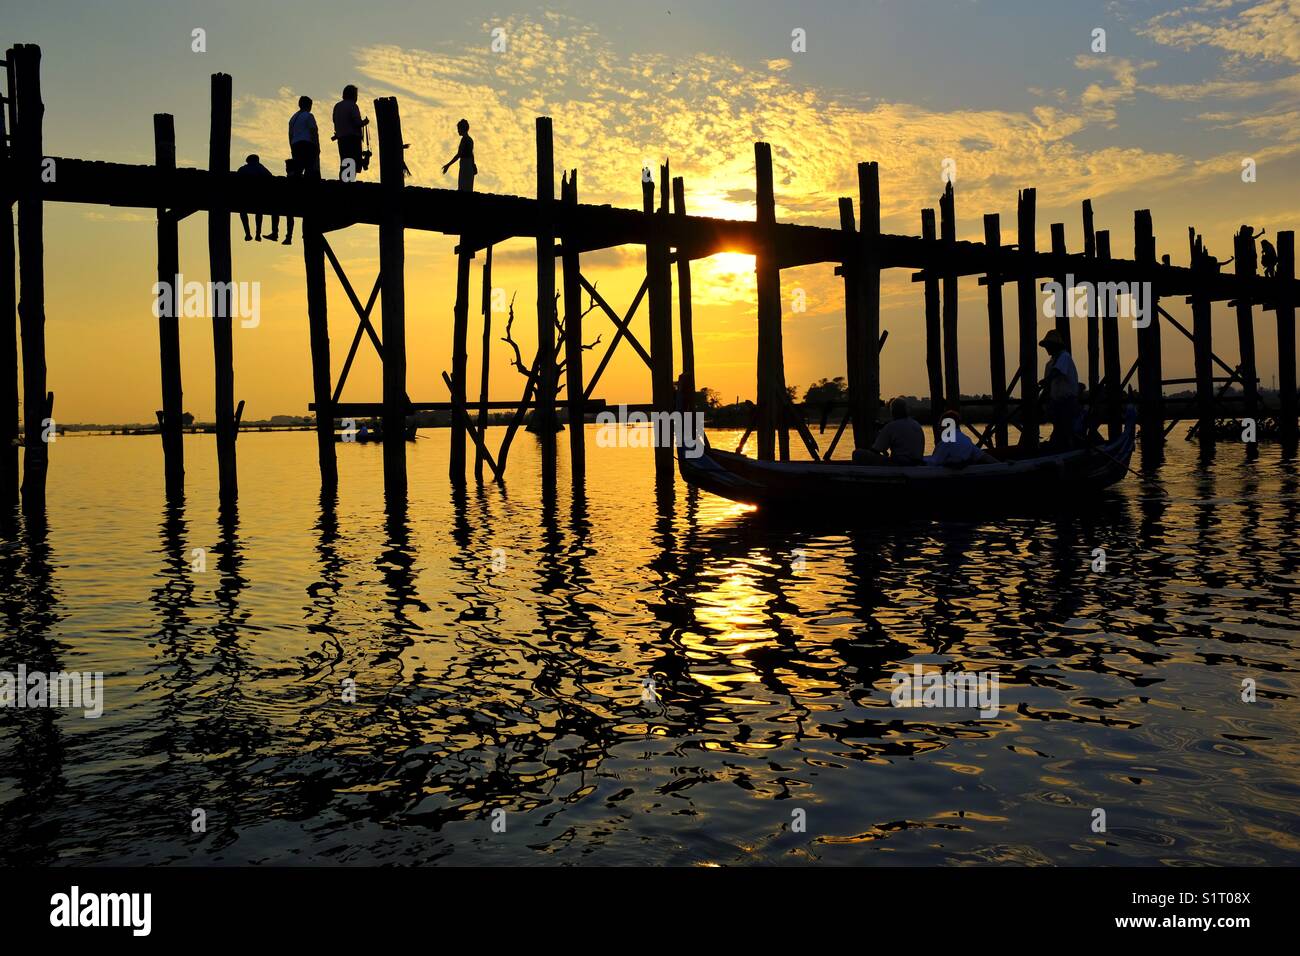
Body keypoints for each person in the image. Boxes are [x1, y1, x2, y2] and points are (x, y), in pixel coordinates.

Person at [1040, 328, 1081, 450]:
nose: (1047, 348)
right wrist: (1041, 400)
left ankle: (1068, 449)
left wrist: (1046, 381)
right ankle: (1061, 449)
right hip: (1056, 403)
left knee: (1066, 430)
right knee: (1058, 429)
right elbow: (1048, 387)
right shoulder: (1049, 364)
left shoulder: (1064, 357)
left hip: (1067, 402)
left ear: (1055, 345)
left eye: (1049, 345)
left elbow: (1056, 373)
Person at [855, 397, 925, 465]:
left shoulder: (891, 426)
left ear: (892, 412)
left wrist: (877, 437)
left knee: (858, 453)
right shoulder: (916, 425)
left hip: (900, 463)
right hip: (917, 462)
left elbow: (875, 450)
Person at [927, 409, 998, 466]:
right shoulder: (966, 439)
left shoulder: (945, 442)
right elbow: (984, 457)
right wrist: (1003, 464)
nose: (939, 428)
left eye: (940, 425)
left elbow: (934, 462)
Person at [235, 154, 279, 242]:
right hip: (260, 198)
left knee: (242, 212)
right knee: (259, 212)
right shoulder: (261, 168)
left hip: (245, 198)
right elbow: (271, 178)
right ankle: (258, 234)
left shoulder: (243, 169)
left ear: (248, 161)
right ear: (257, 160)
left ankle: (247, 233)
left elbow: (236, 180)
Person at [331, 85, 368, 180]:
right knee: (352, 163)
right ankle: (349, 183)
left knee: (345, 161)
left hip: (341, 138)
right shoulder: (353, 106)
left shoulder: (337, 106)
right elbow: (357, 122)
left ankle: (344, 181)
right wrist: (365, 122)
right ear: (353, 95)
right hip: (353, 138)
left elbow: (334, 121)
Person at [288, 95, 321, 181]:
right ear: (309, 105)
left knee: (298, 169)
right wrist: (317, 146)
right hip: (307, 145)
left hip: (295, 145)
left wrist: (292, 147)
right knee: (310, 168)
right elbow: (313, 132)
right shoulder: (309, 116)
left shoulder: (293, 118)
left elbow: (290, 134)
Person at [441, 118, 476, 192]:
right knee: (467, 188)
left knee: (463, 188)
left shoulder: (465, 139)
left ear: (462, 129)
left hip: (466, 165)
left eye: (458, 128)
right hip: (468, 166)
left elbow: (459, 154)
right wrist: (473, 165)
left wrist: (448, 165)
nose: (458, 131)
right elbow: (471, 154)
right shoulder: (470, 140)